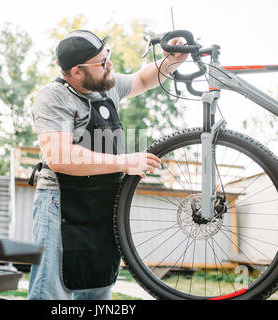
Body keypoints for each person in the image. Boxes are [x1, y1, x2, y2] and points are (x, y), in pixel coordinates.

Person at [28, 29, 188, 300]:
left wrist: (173, 60)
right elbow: (59, 156)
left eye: (108, 56)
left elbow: (142, 78)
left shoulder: (107, 87)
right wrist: (124, 162)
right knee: (51, 293)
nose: (109, 65)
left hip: (102, 204)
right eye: (102, 62)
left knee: (97, 286)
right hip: (60, 203)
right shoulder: (54, 97)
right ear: (77, 71)